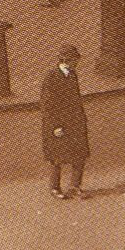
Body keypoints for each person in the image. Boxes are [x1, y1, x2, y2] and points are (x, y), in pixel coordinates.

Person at [40, 45, 88, 199]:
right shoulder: (51, 77)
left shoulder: (73, 75)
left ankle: (75, 186)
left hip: (75, 122)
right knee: (57, 157)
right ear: (67, 60)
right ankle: (55, 188)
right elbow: (47, 105)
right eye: (75, 60)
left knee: (79, 155)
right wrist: (55, 127)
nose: (77, 63)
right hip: (59, 124)